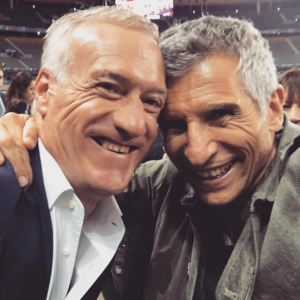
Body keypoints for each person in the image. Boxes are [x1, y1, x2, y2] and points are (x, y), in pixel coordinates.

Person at [2, 16, 300, 300]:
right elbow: (77, 176)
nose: (197, 154)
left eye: (221, 116)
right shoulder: (164, 183)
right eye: (174, 125)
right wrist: (29, 134)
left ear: (273, 109)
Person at [0, 5, 166, 300]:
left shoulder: (103, 209)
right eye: (108, 87)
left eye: (152, 101)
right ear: (44, 91)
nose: (134, 123)